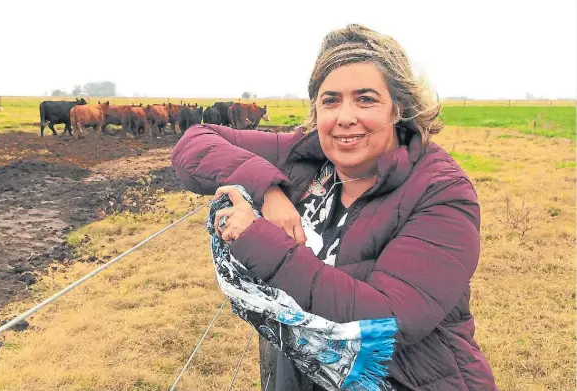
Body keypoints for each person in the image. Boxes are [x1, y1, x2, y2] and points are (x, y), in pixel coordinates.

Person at [171, 24, 498, 391]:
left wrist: (257, 238)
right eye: (330, 100)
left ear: (398, 108)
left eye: (366, 99)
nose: (345, 117)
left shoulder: (441, 191)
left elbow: (388, 319)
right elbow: (195, 143)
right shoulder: (306, 158)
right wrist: (268, 189)